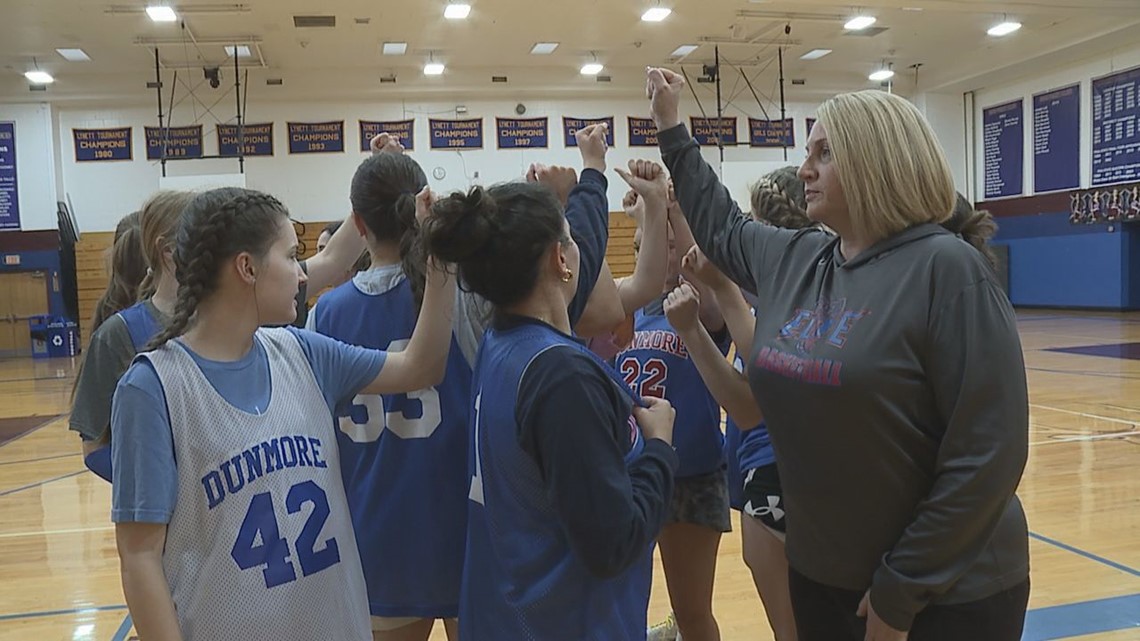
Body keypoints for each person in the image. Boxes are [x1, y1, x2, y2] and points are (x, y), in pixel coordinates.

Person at [647, 67, 1030, 641]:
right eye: (808, 153)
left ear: (878, 163)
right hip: (822, 576)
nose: (804, 169)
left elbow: (989, 454)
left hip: (943, 595)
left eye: (824, 153)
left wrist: (901, 591)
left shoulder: (947, 269)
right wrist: (671, 129)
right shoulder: (798, 258)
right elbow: (721, 225)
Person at [309, 125, 627, 640]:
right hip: (465, 533)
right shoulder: (466, 293)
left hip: (377, 539)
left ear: (359, 224)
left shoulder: (325, 316)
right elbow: (600, 305)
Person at [110, 186, 457, 640]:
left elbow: (421, 366)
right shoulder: (151, 388)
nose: (300, 274)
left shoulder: (303, 352)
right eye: (291, 256)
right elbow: (139, 559)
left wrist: (440, 259)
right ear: (247, 267)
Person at [420, 126, 679, 640]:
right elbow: (613, 543)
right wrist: (660, 448)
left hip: (508, 614)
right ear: (560, 259)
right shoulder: (560, 375)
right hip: (562, 623)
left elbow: (578, 264)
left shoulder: (503, 341)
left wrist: (590, 180)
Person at [71, 192, 195, 480]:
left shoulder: (215, 320)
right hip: (154, 509)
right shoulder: (118, 333)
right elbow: (94, 446)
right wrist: (156, 483)